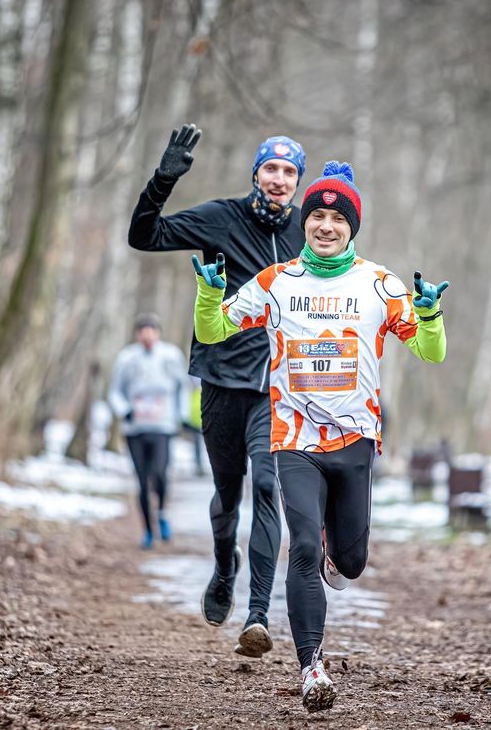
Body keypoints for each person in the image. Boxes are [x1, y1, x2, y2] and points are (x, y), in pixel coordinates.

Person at [191, 161, 449, 712]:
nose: (326, 225)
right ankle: (312, 667)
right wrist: (208, 297)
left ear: (352, 227)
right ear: (304, 223)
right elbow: (212, 333)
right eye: (317, 216)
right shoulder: (276, 283)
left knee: (349, 562)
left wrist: (429, 317)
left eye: (337, 217)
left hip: (355, 441)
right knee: (302, 547)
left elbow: (432, 351)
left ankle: (341, 553)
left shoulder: (379, 284)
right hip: (293, 438)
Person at [128, 124, 306, 656]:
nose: (279, 179)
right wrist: (163, 180)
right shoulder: (221, 218)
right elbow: (144, 235)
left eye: (289, 171)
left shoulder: (307, 232)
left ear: (298, 181)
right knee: (229, 493)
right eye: (270, 169)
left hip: (277, 389)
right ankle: (223, 563)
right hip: (222, 382)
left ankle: (257, 615)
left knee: (269, 489)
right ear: (256, 173)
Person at [108, 313, 189, 549]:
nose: (147, 335)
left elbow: (181, 387)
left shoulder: (171, 355)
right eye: (143, 331)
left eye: (151, 330)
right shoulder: (126, 358)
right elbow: (115, 391)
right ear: (137, 334)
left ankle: (162, 513)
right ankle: (147, 531)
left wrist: (181, 416)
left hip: (162, 426)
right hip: (135, 429)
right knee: (142, 481)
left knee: (161, 474)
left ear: (158, 333)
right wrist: (125, 410)